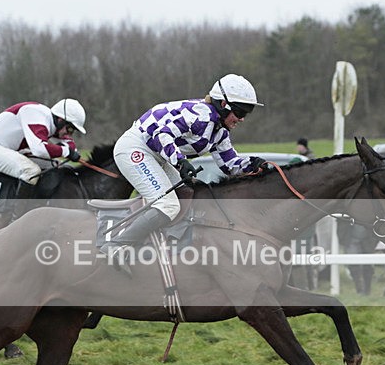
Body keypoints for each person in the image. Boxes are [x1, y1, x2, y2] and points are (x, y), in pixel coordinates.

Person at [106, 73, 267, 273]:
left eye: (247, 113)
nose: (242, 119)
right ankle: (117, 245)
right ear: (223, 104)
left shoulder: (219, 130)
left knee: (186, 194)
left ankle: (161, 246)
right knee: (168, 205)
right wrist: (180, 163)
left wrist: (254, 164)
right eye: (240, 112)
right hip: (135, 149)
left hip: (157, 154)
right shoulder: (201, 116)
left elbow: (229, 165)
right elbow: (161, 135)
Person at [0, 99, 85, 218]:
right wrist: (66, 151)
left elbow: (69, 145)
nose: (70, 133)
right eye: (70, 129)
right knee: (31, 171)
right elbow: (39, 149)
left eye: (73, 131)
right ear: (60, 120)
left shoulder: (53, 123)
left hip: (10, 149)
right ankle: (17, 217)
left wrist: (71, 151)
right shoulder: (36, 114)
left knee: (55, 165)